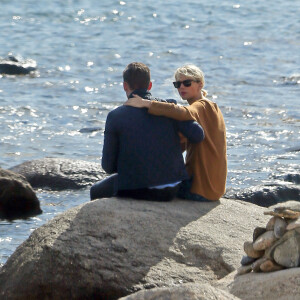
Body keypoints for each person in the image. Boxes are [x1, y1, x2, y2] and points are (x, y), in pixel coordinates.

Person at [90, 62, 205, 201]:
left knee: (95, 191)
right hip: (172, 188)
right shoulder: (169, 107)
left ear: (125, 86)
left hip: (137, 189)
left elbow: (108, 167)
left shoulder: (116, 116)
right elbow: (198, 135)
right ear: (149, 85)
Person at [125, 64, 227, 201]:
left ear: (200, 84)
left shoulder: (204, 106)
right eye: (177, 84)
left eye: (187, 83)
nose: (181, 87)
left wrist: (146, 103)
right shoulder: (209, 109)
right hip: (213, 188)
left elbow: (183, 112)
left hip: (200, 189)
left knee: (148, 187)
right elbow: (179, 144)